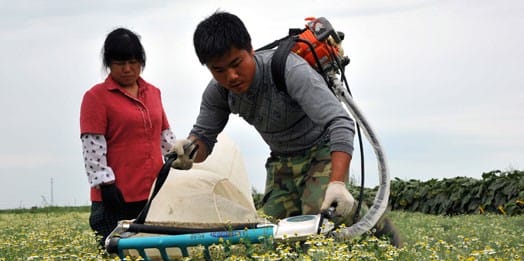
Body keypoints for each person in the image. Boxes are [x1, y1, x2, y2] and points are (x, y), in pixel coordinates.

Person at [172, 11, 402, 247]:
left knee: (317, 226)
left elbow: (340, 122)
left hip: (321, 151)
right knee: (269, 236)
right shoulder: (218, 93)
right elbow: (203, 139)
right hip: (281, 161)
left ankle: (373, 225)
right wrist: (188, 151)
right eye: (218, 70)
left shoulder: (287, 69)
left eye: (236, 64)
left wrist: (337, 185)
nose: (231, 76)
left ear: (250, 50)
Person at [80, 27, 176, 247]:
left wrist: (179, 161)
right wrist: (105, 184)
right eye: (119, 63)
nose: (127, 69)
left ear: (141, 61)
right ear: (108, 64)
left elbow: (165, 136)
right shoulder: (96, 97)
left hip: (153, 194)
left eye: (133, 62)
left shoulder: (153, 93)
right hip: (116, 197)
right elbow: (92, 147)